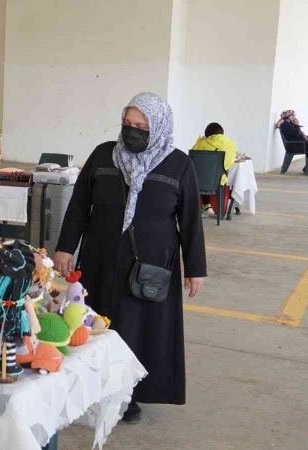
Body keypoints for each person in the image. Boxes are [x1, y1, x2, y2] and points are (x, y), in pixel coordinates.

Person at [53, 92, 207, 423]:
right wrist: (66, 247)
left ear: (159, 127)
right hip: (100, 258)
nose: (132, 131)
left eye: (141, 126)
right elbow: (80, 204)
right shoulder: (103, 156)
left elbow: (191, 219)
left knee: (139, 328)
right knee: (95, 322)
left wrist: (196, 268)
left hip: (150, 265)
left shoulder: (179, 163)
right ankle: (92, 387)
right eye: (127, 123)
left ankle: (130, 394)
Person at [191, 122, 237, 216]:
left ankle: (205, 206)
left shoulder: (202, 143)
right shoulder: (230, 144)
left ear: (207, 134)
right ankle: (228, 208)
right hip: (219, 180)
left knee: (202, 174)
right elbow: (230, 162)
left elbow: (192, 157)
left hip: (200, 181)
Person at [275, 110, 308, 176]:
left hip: (298, 142)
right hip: (295, 145)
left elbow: (297, 134)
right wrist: (297, 125)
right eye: (292, 115)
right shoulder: (285, 125)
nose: (294, 117)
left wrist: (306, 136)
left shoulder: (289, 123)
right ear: (287, 117)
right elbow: (297, 134)